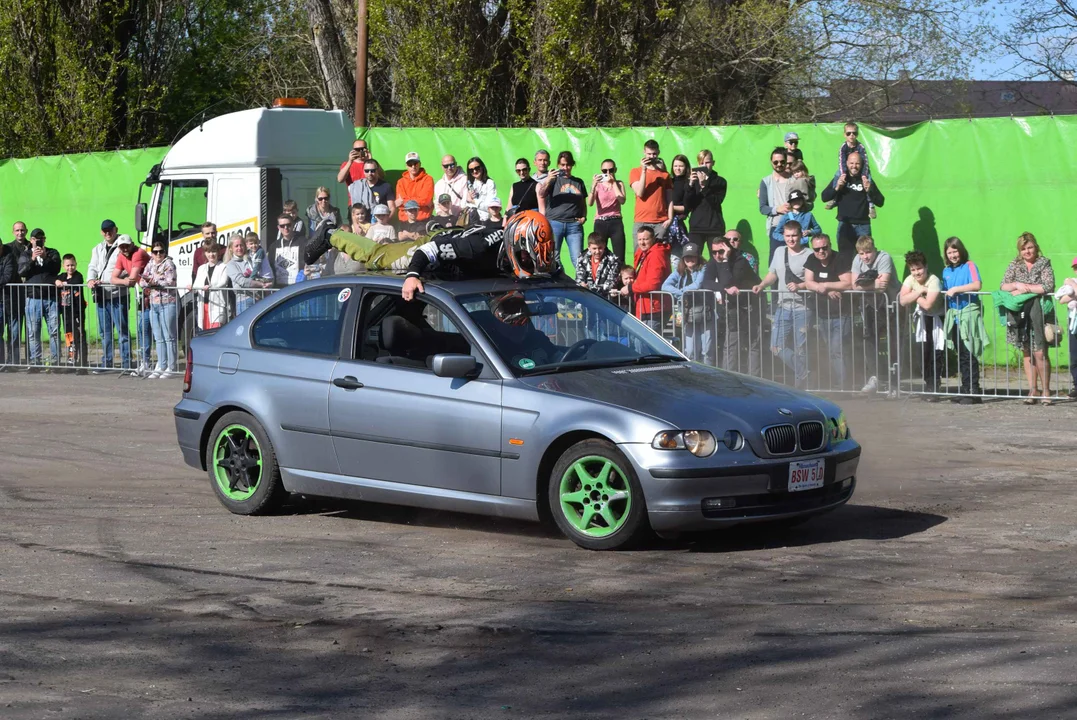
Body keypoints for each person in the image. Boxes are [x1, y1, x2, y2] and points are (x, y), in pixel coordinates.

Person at [401, 210, 556, 301]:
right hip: (433, 252)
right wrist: (412, 275)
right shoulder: (480, 246)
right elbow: (428, 249)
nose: (528, 260)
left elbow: (552, 273)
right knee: (382, 257)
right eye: (527, 254)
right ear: (514, 244)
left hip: (461, 242)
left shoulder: (521, 247)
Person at [999, 232, 1056, 405]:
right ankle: (1033, 389)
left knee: (1040, 352)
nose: (1027, 251)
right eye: (1023, 249)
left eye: (1030, 247)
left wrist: (1026, 289)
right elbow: (1003, 285)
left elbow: (1047, 286)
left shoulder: (1043, 263)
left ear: (1036, 247)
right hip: (1020, 315)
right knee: (1026, 352)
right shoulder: (1014, 265)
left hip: (1040, 313)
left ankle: (1046, 391)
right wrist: (1016, 285)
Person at [753, 221, 811, 388]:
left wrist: (800, 286)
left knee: (801, 349)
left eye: (794, 235)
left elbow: (812, 281)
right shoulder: (779, 251)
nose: (791, 239)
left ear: (801, 236)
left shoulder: (809, 254)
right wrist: (762, 285)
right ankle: (804, 372)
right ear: (783, 236)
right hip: (783, 306)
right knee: (776, 346)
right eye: (787, 236)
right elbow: (773, 274)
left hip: (803, 308)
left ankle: (802, 385)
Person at [701, 235, 762, 374]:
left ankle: (755, 379)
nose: (717, 255)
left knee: (753, 344)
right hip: (734, 308)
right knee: (731, 345)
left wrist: (726, 260)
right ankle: (729, 378)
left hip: (750, 305)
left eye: (720, 252)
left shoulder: (740, 261)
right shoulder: (714, 261)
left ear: (728, 249)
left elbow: (730, 282)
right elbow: (707, 282)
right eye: (714, 252)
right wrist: (723, 289)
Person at [803, 233, 854, 389]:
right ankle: (839, 383)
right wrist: (824, 288)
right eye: (817, 249)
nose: (821, 252)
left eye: (824, 248)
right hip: (823, 314)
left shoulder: (840, 259)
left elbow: (848, 284)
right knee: (831, 351)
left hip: (842, 313)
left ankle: (845, 385)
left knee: (837, 349)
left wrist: (825, 285)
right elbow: (808, 282)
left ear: (830, 245)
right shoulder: (812, 259)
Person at [851, 235, 898, 396]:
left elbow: (883, 285)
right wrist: (873, 285)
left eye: (868, 252)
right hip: (869, 305)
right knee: (869, 340)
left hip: (890, 305)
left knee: (893, 342)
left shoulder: (884, 257)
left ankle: (894, 382)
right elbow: (853, 285)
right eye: (862, 253)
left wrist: (864, 284)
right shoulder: (857, 260)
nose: (865, 257)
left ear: (874, 249)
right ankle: (875, 378)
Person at [942, 236, 986, 404]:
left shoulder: (970, 265)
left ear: (961, 250)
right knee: (961, 354)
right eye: (949, 252)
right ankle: (965, 388)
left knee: (969, 353)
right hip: (954, 317)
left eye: (955, 251)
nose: (953, 255)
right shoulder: (946, 271)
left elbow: (977, 285)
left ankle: (974, 391)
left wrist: (957, 289)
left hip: (969, 315)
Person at [899, 249, 945, 400]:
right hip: (922, 320)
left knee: (935, 353)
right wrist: (920, 291)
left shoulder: (934, 280)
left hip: (936, 319)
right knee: (923, 354)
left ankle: (934, 386)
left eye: (919, 268)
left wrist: (914, 293)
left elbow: (928, 305)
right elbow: (902, 300)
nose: (916, 273)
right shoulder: (909, 279)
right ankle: (928, 384)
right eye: (913, 269)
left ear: (925, 267)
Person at [820, 151, 884, 256]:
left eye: (857, 163)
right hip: (845, 225)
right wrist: (836, 188)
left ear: (862, 164)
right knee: (846, 259)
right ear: (846, 163)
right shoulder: (841, 178)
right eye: (851, 163)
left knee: (866, 258)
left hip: (863, 226)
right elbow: (824, 197)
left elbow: (881, 202)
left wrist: (870, 190)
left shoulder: (866, 179)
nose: (854, 166)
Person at [87, 219, 130, 372]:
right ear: (101, 232)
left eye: (110, 230)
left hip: (118, 294)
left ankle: (126, 363)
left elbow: (128, 268)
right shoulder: (97, 248)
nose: (107, 233)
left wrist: (113, 280)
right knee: (105, 333)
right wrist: (91, 279)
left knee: (122, 331)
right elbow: (92, 266)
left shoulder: (123, 246)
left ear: (115, 229)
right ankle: (107, 362)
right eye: (104, 230)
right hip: (102, 296)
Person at [19, 228, 62, 372]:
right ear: (31, 240)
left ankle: (55, 361)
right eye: (35, 239)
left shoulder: (52, 252)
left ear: (45, 239)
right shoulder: (25, 254)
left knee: (54, 330)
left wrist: (45, 258)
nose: (38, 241)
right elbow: (22, 271)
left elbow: (56, 269)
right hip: (33, 298)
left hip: (51, 298)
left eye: (41, 239)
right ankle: (35, 361)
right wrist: (32, 259)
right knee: (33, 331)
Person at [110, 235, 152, 376]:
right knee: (142, 328)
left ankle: (157, 363)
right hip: (142, 296)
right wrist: (124, 282)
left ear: (132, 244)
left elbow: (133, 278)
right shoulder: (121, 256)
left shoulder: (138, 253)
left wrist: (126, 281)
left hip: (153, 294)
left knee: (155, 330)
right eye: (122, 247)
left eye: (127, 245)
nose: (125, 249)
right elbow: (113, 278)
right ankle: (145, 362)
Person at [662, 242, 708, 361]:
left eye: (692, 256)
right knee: (690, 349)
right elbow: (665, 286)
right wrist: (681, 293)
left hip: (703, 311)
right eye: (687, 256)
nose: (690, 259)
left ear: (698, 257)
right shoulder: (679, 271)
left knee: (705, 349)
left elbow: (697, 285)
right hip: (684, 312)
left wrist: (681, 291)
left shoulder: (704, 268)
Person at [539, 151, 587, 266]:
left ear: (572, 165)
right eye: (562, 165)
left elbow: (583, 203)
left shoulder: (579, 182)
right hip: (555, 223)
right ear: (558, 165)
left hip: (574, 225)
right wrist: (549, 179)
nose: (565, 168)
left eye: (568, 165)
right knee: (554, 258)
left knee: (578, 259)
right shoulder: (553, 180)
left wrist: (584, 217)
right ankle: (561, 282)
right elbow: (541, 194)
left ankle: (580, 283)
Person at [139, 239, 179, 378]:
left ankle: (171, 366)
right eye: (155, 252)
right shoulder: (150, 264)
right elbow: (142, 281)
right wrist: (148, 282)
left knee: (169, 336)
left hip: (168, 302)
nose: (158, 254)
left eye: (160, 251)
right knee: (158, 337)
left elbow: (170, 282)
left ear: (164, 252)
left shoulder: (169, 264)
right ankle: (161, 365)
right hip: (154, 303)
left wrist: (156, 282)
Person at [629, 139, 671, 247]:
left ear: (658, 153)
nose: (652, 157)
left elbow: (670, 198)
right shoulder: (635, 171)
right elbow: (640, 193)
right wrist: (644, 170)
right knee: (640, 256)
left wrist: (670, 218)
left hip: (660, 222)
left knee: (659, 256)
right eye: (649, 154)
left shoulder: (665, 174)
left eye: (654, 154)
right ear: (644, 152)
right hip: (641, 220)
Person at [632, 226, 671, 332]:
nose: (642, 243)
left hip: (655, 308)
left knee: (645, 345)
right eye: (639, 239)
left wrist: (631, 288)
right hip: (644, 306)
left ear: (653, 239)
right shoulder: (641, 253)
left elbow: (653, 284)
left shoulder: (656, 254)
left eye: (645, 239)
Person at [588, 159, 627, 262]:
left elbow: (622, 200)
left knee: (619, 256)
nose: (608, 173)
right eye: (605, 171)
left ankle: (619, 277)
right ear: (601, 171)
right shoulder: (598, 185)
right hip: (601, 221)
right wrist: (593, 185)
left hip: (616, 221)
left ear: (615, 170)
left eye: (611, 170)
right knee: (599, 255)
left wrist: (613, 183)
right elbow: (590, 203)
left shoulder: (619, 184)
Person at [687, 149, 727, 248]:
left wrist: (704, 187)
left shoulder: (720, 181)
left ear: (713, 163)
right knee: (693, 257)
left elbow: (716, 201)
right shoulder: (693, 181)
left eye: (708, 162)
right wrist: (690, 185)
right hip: (696, 227)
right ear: (698, 164)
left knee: (717, 258)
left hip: (714, 226)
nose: (705, 165)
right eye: (702, 163)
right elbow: (688, 203)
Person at [758, 147, 793, 261]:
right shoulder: (766, 182)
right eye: (775, 162)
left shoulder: (794, 179)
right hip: (776, 227)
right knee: (776, 262)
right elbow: (763, 208)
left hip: (796, 225)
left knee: (798, 260)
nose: (779, 164)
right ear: (771, 162)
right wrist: (777, 209)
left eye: (782, 161)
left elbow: (809, 202)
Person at [54, 254, 87, 372]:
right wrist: (57, 280)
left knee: (79, 336)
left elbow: (74, 282)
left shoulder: (78, 276)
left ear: (76, 264)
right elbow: (54, 279)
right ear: (63, 266)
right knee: (69, 336)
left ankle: (82, 363)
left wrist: (63, 284)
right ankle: (71, 360)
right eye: (67, 265)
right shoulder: (62, 276)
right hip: (66, 312)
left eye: (72, 265)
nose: (70, 268)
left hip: (77, 312)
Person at [225, 235, 272, 315]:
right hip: (244, 301)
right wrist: (261, 284)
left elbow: (259, 275)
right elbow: (243, 282)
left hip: (260, 299)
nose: (239, 248)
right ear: (231, 248)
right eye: (236, 246)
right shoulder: (231, 265)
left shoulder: (250, 259)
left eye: (241, 245)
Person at [0, 225, 24, 368]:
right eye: (17, 230)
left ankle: (14, 362)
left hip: (12, 299)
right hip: (1, 300)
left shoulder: (8, 257)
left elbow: (7, 277)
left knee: (14, 332)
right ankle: (2, 361)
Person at [191, 243, 230, 331]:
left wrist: (210, 287)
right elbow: (196, 286)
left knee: (215, 332)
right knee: (204, 332)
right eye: (208, 252)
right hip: (203, 305)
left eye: (213, 251)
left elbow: (223, 282)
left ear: (218, 253)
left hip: (217, 305)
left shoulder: (223, 267)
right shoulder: (201, 268)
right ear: (205, 253)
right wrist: (192, 288)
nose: (211, 254)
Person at [1056, 257, 1077, 398]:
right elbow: (1062, 299)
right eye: (1076, 267)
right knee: (1074, 356)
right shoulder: (1073, 282)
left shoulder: (1072, 283)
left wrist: (1072, 287)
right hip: (1073, 321)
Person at [269, 212, 306, 287]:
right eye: (282, 226)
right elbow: (271, 267)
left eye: (288, 225)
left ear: (293, 225)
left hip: (298, 287)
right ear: (278, 228)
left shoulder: (303, 242)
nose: (285, 228)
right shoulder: (273, 246)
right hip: (279, 290)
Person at [396, 152, 434, 221]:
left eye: (415, 163)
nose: (413, 166)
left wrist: (405, 201)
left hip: (423, 220)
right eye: (410, 164)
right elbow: (400, 204)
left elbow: (425, 200)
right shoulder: (400, 182)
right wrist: (420, 201)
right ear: (406, 166)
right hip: (404, 220)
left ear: (420, 164)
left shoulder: (428, 179)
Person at [464, 157, 498, 221]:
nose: (475, 171)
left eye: (477, 168)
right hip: (470, 220)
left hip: (485, 220)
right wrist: (467, 200)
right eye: (471, 170)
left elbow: (490, 206)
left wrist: (473, 201)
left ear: (482, 167)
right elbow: (463, 204)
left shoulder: (489, 183)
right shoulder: (469, 184)